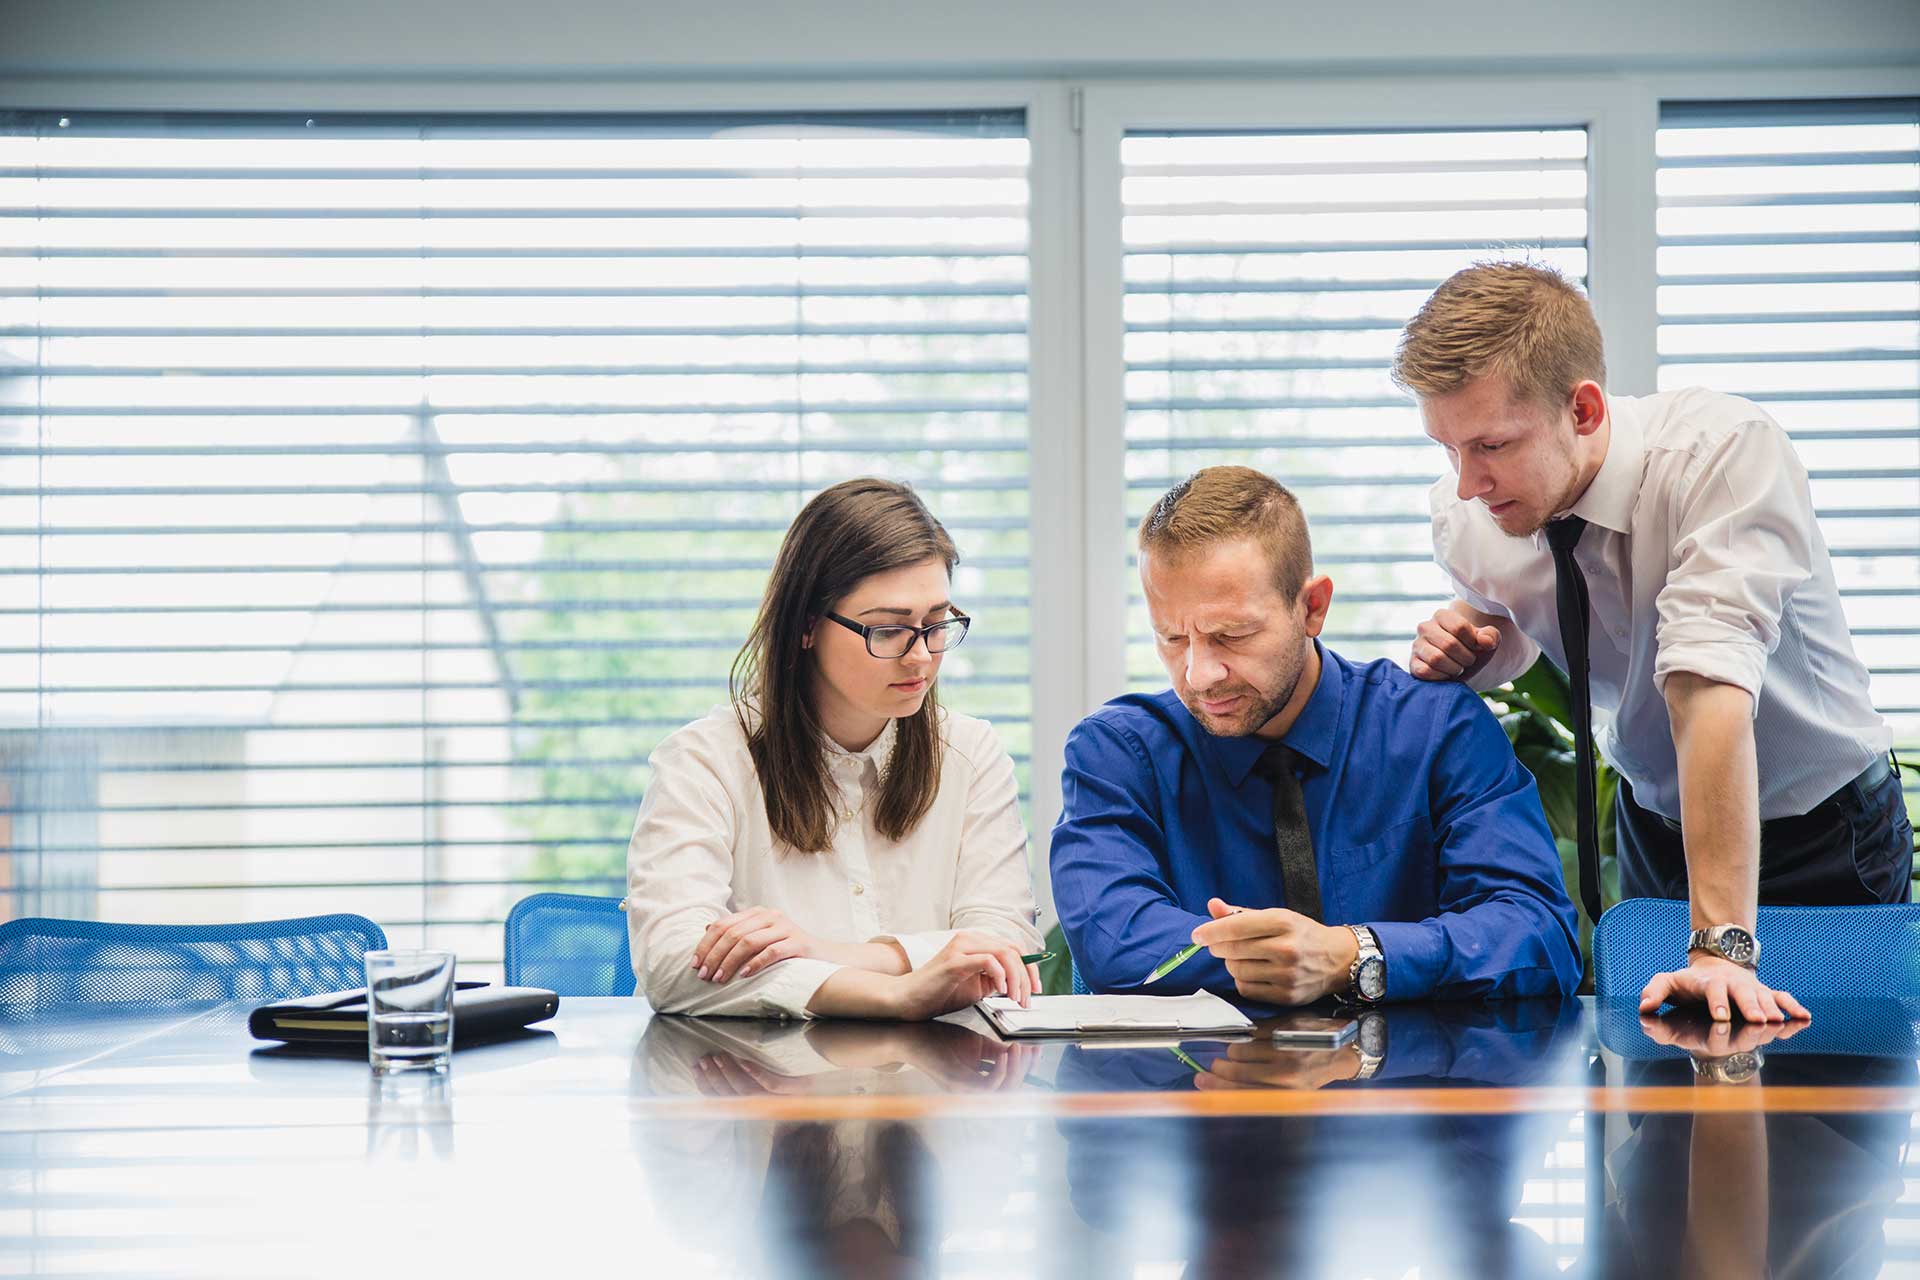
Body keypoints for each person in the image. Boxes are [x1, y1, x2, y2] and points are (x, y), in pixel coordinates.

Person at [1397, 260, 1912, 1023]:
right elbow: (1512, 612)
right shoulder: (1472, 511)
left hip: (1823, 829)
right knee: (1659, 1089)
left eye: (1492, 446)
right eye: (1449, 450)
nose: (1468, 482)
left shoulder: (1723, 454)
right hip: (1652, 822)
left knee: (1830, 1099)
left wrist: (1721, 946)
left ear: (1584, 408)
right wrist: (1477, 639)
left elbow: (1706, 689)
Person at [1050, 465, 1582, 1005]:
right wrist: (1283, 959)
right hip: (1199, 1082)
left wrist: (1354, 955)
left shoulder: (1438, 729)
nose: (1199, 674)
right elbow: (1111, 941)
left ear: (1312, 607)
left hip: (1415, 1085)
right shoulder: (1116, 754)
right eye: (1172, 638)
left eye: (1230, 635)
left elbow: (1537, 935)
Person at [624, 477, 1043, 1020]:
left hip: (936, 1088)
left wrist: (823, 954)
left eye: (936, 623)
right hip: (750, 1085)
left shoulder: (969, 752)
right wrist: (896, 992)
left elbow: (1003, 943)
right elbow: (672, 961)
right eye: (888, 630)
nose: (921, 657)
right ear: (806, 626)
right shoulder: (704, 760)